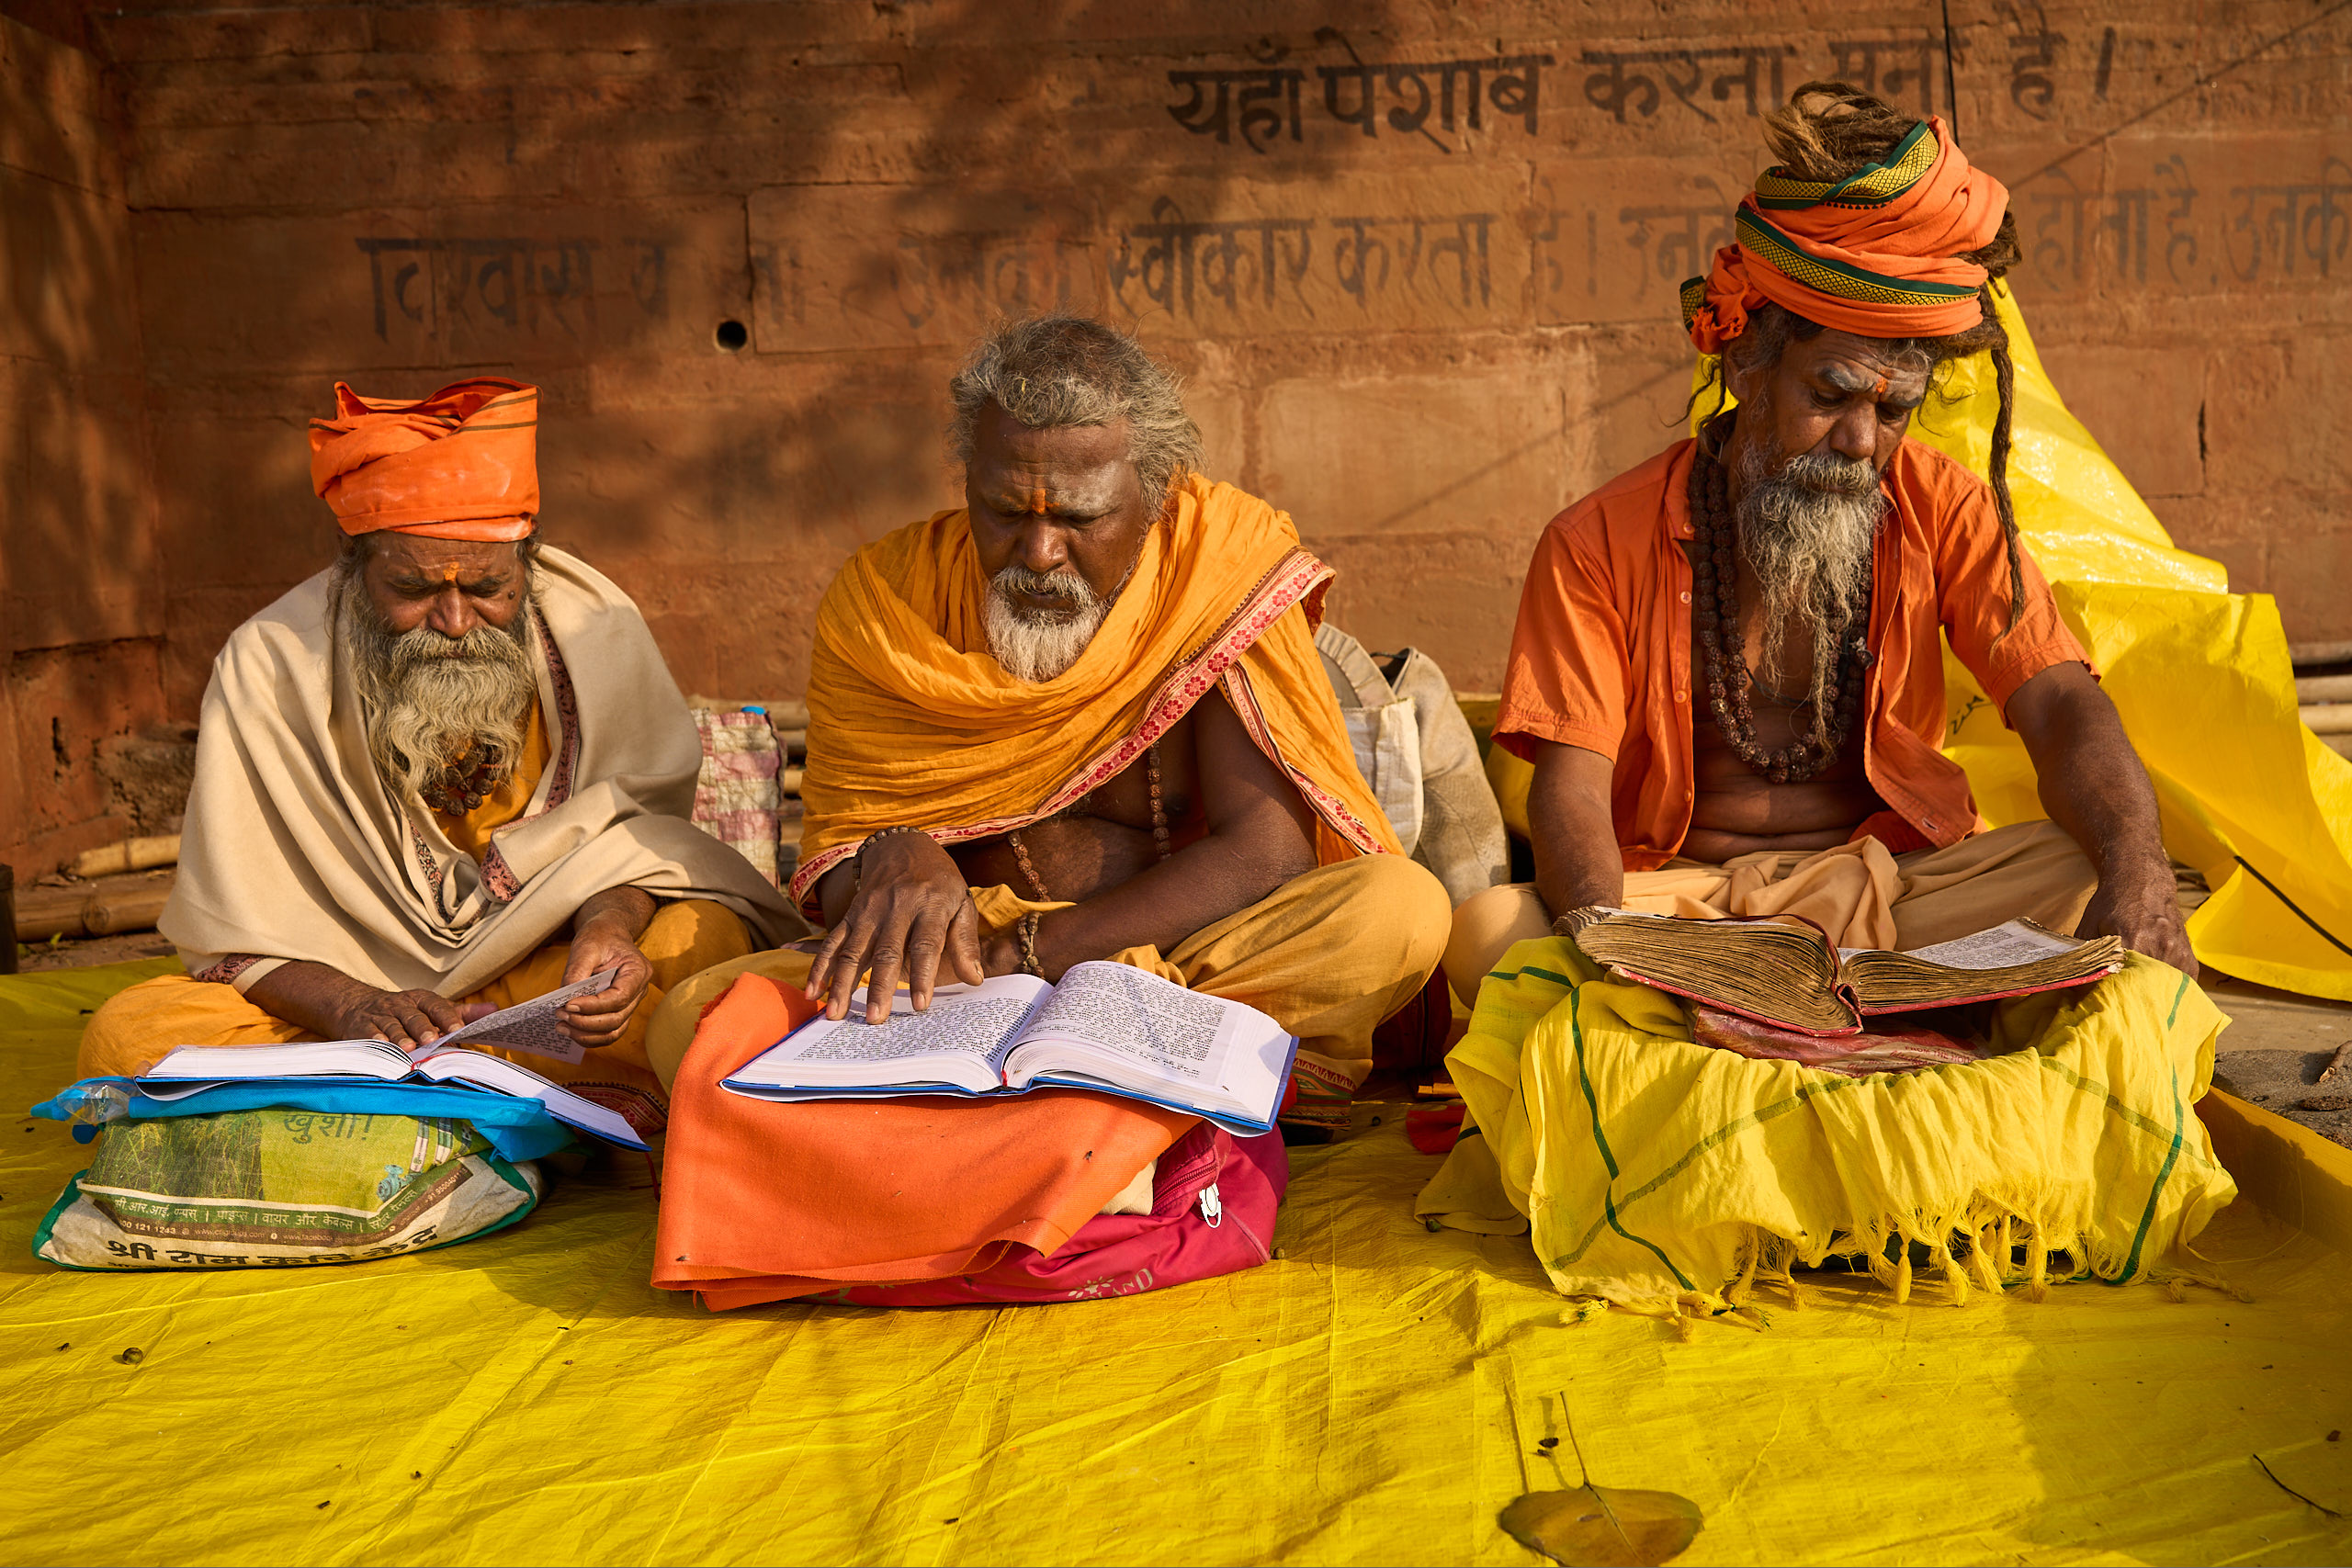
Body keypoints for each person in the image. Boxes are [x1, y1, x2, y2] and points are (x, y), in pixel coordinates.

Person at [1446, 83, 2197, 994]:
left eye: (1891, 410)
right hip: (1683, 908)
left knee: (2086, 867)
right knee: (1489, 933)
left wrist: (2139, 870)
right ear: (1745, 366)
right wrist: (1609, 942)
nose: (1857, 442)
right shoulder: (1595, 540)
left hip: (1893, 892)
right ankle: (1783, 994)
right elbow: (1572, 788)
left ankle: (1832, 991)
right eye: (1829, 395)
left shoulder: (1943, 506)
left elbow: (2059, 705)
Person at [650, 315, 1453, 1135]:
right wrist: (894, 847)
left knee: (1400, 909)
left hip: (1175, 969)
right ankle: (1142, 1090)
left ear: (1156, 493)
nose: (1037, 551)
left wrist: (1041, 955)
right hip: (956, 987)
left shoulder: (1219, 568)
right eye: (1004, 511)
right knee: (692, 1019)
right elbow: (846, 876)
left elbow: (1267, 850)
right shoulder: (882, 603)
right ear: (969, 479)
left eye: (1078, 518)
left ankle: (1014, 1097)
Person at [77, 378, 796, 1127]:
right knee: (126, 1038)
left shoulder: (596, 627)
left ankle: (393, 1103)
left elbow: (637, 841)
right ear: (353, 570)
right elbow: (236, 929)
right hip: (350, 1002)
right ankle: (522, 1100)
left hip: (545, 985)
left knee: (700, 954)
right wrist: (353, 1004)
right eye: (412, 588)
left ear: (530, 561)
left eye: (489, 586)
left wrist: (607, 931)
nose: (455, 620)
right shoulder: (270, 662)